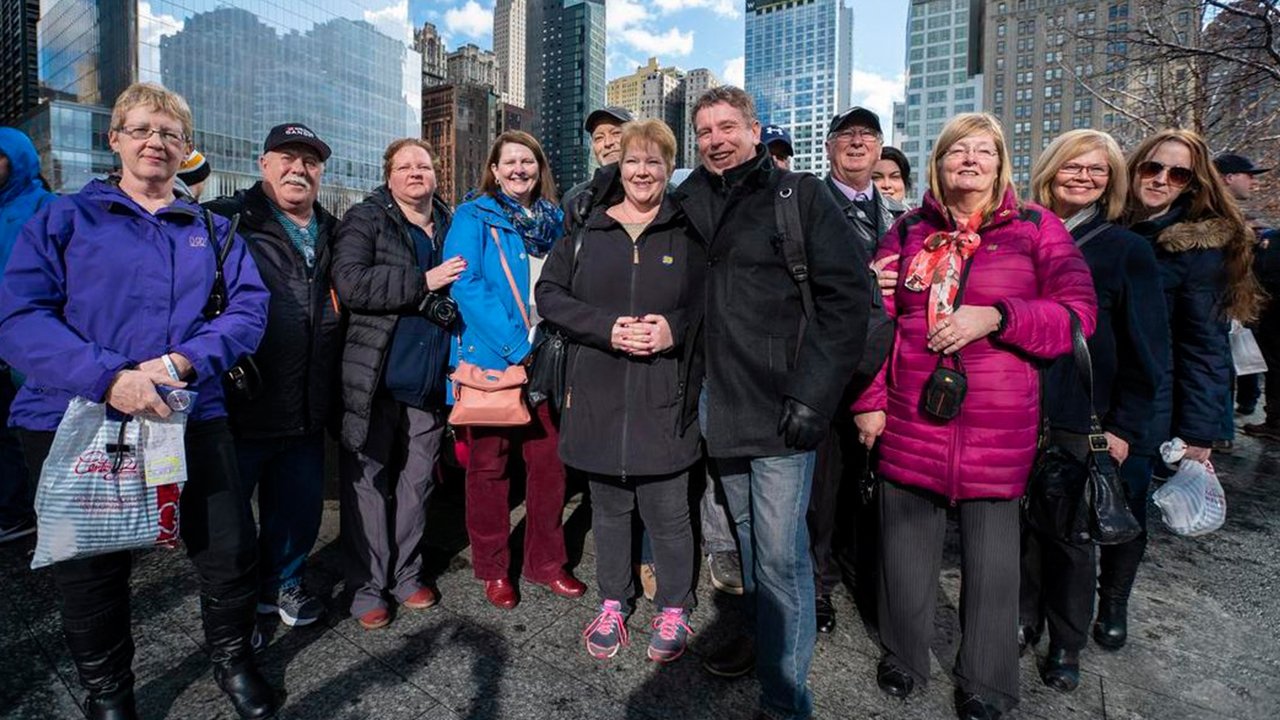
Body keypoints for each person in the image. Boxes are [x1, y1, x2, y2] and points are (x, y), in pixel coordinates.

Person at [0, 82, 274, 720]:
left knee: (228, 547)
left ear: (186, 151)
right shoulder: (62, 217)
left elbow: (247, 311)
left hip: (190, 413)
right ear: (115, 138)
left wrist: (185, 360)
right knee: (90, 569)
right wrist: (108, 378)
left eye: (170, 134)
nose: (156, 142)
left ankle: (234, 661)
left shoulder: (214, 227)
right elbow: (19, 318)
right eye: (143, 129)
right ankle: (109, 692)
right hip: (72, 416)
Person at [853, 112, 1096, 720]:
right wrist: (869, 404)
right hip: (912, 411)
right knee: (904, 551)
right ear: (938, 162)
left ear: (1000, 162)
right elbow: (876, 322)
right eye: (957, 150)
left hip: (998, 422)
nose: (970, 160)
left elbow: (1076, 315)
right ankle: (904, 654)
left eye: (983, 151)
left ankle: (986, 679)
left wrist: (1000, 317)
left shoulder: (1037, 229)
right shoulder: (907, 230)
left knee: (994, 562)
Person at [673, 86, 872, 720]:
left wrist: (814, 396)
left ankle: (785, 701)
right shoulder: (686, 202)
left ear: (756, 131)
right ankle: (766, 643)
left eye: (728, 127)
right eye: (704, 131)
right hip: (717, 404)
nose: (716, 140)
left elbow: (850, 302)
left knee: (782, 556)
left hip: (785, 408)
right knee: (751, 543)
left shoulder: (800, 196)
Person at [537, 118, 705, 663]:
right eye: (632, 161)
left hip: (665, 395)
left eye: (654, 162)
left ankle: (674, 607)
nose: (641, 171)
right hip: (597, 394)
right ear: (618, 166)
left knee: (669, 513)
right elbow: (550, 296)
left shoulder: (688, 230)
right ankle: (614, 600)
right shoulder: (588, 229)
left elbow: (712, 303)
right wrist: (604, 326)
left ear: (669, 169)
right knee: (608, 511)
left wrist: (673, 329)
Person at [1094, 129, 1263, 653]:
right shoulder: (1102, 225)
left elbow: (1205, 346)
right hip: (1089, 389)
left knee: (1126, 508)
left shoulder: (1198, 249)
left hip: (1150, 401)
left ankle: (1113, 603)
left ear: (1192, 183)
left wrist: (1200, 431)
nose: (1162, 180)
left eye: (1178, 173)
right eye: (1153, 168)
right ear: (1135, 167)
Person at [1019, 129, 1170, 693]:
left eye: (1098, 170)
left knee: (1071, 538)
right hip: (1018, 410)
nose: (1083, 177)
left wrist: (1127, 427)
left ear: (1112, 182)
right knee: (1022, 529)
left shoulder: (1126, 248)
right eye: (1072, 166)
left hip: (1084, 417)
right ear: (1050, 168)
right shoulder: (1018, 234)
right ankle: (1022, 618)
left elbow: (1146, 349)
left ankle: (1066, 642)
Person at [204, 123, 341, 630]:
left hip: (306, 403)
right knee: (229, 526)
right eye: (287, 157)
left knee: (297, 510)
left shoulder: (332, 229)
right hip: (242, 402)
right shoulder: (227, 221)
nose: (298, 169)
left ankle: (283, 581)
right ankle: (235, 611)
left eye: (309, 161)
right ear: (264, 164)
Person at [444, 130, 586, 610]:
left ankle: (545, 563)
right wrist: (515, 344)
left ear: (539, 167)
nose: (519, 169)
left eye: (528, 161)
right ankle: (492, 569)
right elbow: (465, 283)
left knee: (550, 468)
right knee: (489, 468)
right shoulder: (472, 215)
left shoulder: (553, 220)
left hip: (551, 356)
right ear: (495, 168)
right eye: (510, 162)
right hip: (496, 359)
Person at [330, 138, 462, 630]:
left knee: (418, 484)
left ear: (435, 173)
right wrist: (422, 282)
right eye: (404, 166)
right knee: (366, 483)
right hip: (375, 381)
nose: (414, 173)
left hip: (430, 385)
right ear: (389, 177)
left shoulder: (452, 224)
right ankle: (367, 587)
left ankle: (406, 575)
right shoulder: (366, 219)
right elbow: (351, 283)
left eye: (423, 166)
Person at [809, 106, 907, 636]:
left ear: (879, 147)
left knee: (870, 491)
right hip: (827, 371)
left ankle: (863, 577)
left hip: (887, 370)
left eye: (867, 136)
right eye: (845, 135)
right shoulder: (808, 203)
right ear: (828, 147)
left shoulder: (900, 215)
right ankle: (818, 585)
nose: (856, 143)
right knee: (822, 492)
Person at [0, 126, 54, 545]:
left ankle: (45, 511)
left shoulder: (47, 209)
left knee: (35, 434)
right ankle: (12, 509)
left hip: (32, 345)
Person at [1214, 153, 1272, 422]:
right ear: (1229, 178)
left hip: (1231, 310)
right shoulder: (1216, 216)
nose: (1254, 183)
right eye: (1249, 176)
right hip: (1216, 311)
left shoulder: (1237, 219)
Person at [562, 106, 634, 232]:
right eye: (599, 138)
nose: (608, 143)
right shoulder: (572, 197)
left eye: (616, 133)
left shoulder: (660, 190)